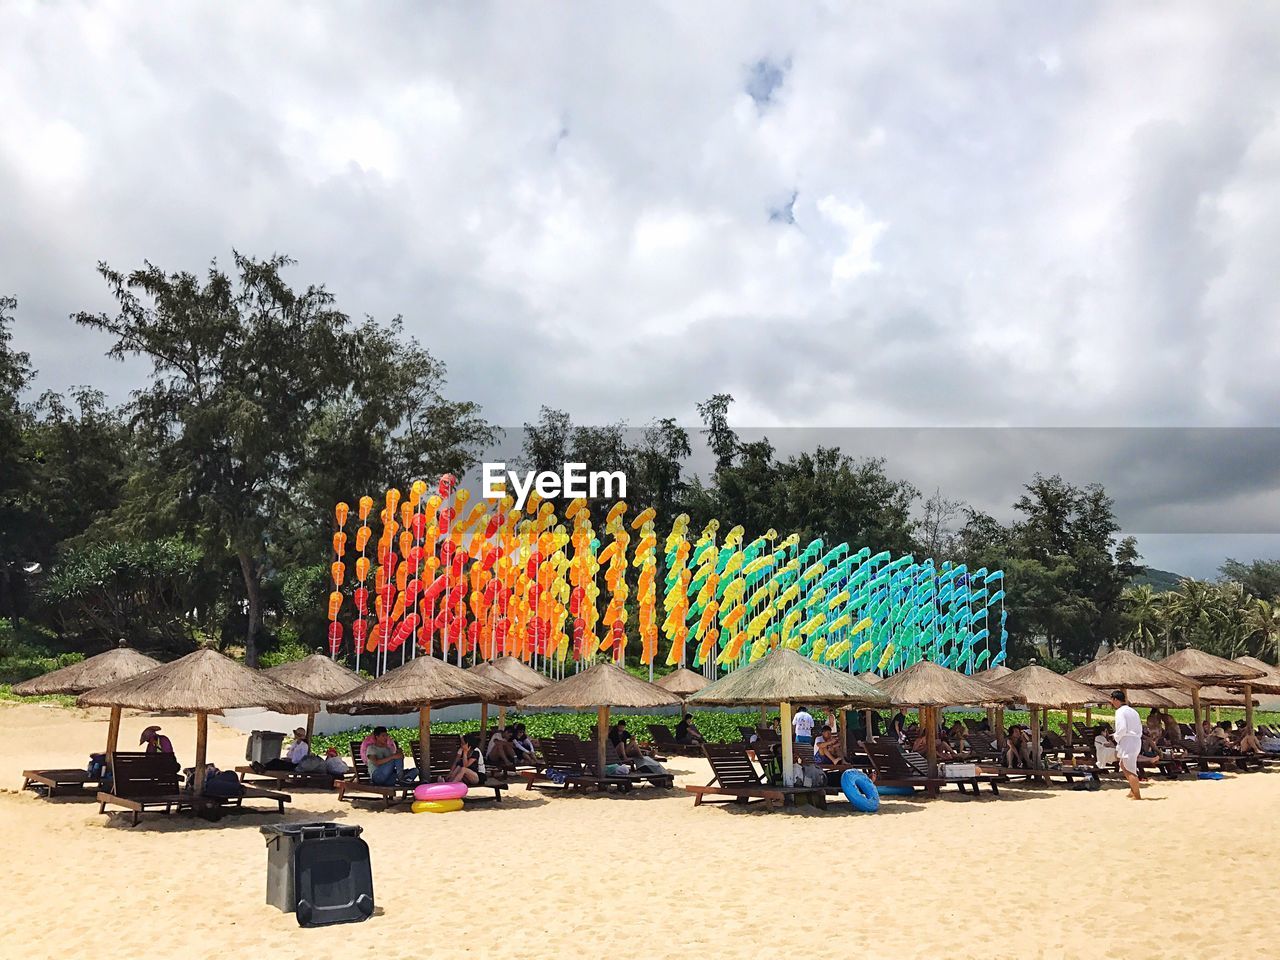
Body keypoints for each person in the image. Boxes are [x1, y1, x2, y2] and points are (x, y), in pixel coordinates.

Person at [1110, 690, 1143, 800]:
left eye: (1112, 700)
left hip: (1128, 740)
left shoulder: (1120, 711)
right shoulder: (1133, 711)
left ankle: (1137, 795)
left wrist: (1116, 736)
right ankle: (1132, 791)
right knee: (1124, 765)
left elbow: (1122, 728)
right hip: (1136, 740)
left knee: (1129, 768)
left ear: (1115, 699)